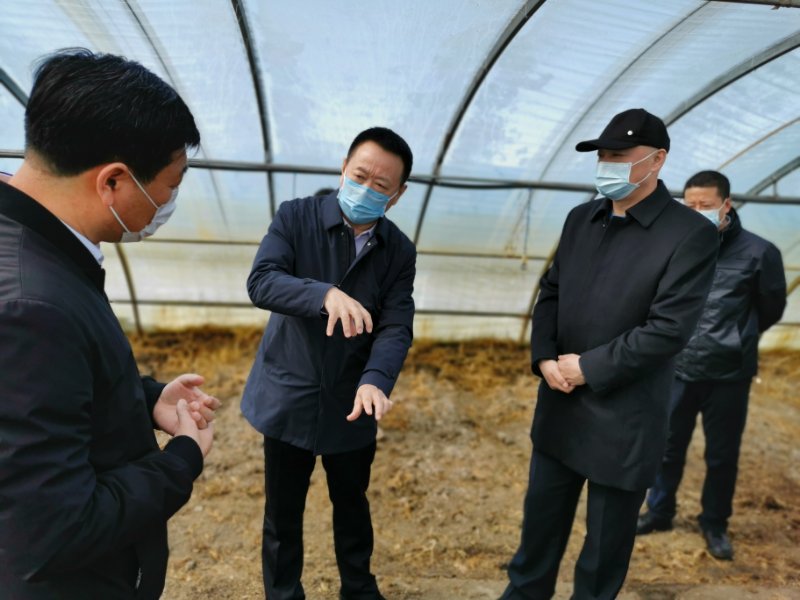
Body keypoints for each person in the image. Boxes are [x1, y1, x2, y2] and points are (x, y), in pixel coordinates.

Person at [0, 49, 219, 599]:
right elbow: (54, 531)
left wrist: (143, 398)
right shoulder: (33, 309)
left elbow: (37, 400)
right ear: (114, 181)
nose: (169, 200)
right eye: (171, 183)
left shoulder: (28, 241)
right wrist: (182, 460)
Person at [500, 108, 719, 600]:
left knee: (603, 551)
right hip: (560, 401)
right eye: (602, 155)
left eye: (619, 155)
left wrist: (588, 368)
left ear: (657, 160)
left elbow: (669, 329)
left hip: (625, 416)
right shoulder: (582, 218)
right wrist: (545, 359)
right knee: (538, 531)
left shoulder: (690, 234)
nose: (607, 164)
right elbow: (551, 292)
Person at [241, 127, 416, 600]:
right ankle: (284, 594)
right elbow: (262, 281)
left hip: (352, 398)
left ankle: (358, 589)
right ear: (343, 169)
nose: (366, 189)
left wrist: (376, 380)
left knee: (352, 502)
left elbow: (396, 325)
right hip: (289, 393)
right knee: (283, 512)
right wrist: (323, 294)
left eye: (381, 185)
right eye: (359, 176)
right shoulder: (295, 217)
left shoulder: (398, 250)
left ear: (398, 195)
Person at [636, 170, 786, 560]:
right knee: (667, 446)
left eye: (706, 205)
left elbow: (771, 307)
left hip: (729, 373)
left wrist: (736, 337)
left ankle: (714, 522)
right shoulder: (676, 245)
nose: (697, 211)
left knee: (722, 455)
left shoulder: (759, 252)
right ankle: (659, 511)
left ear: (726, 205)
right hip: (677, 367)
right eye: (690, 205)